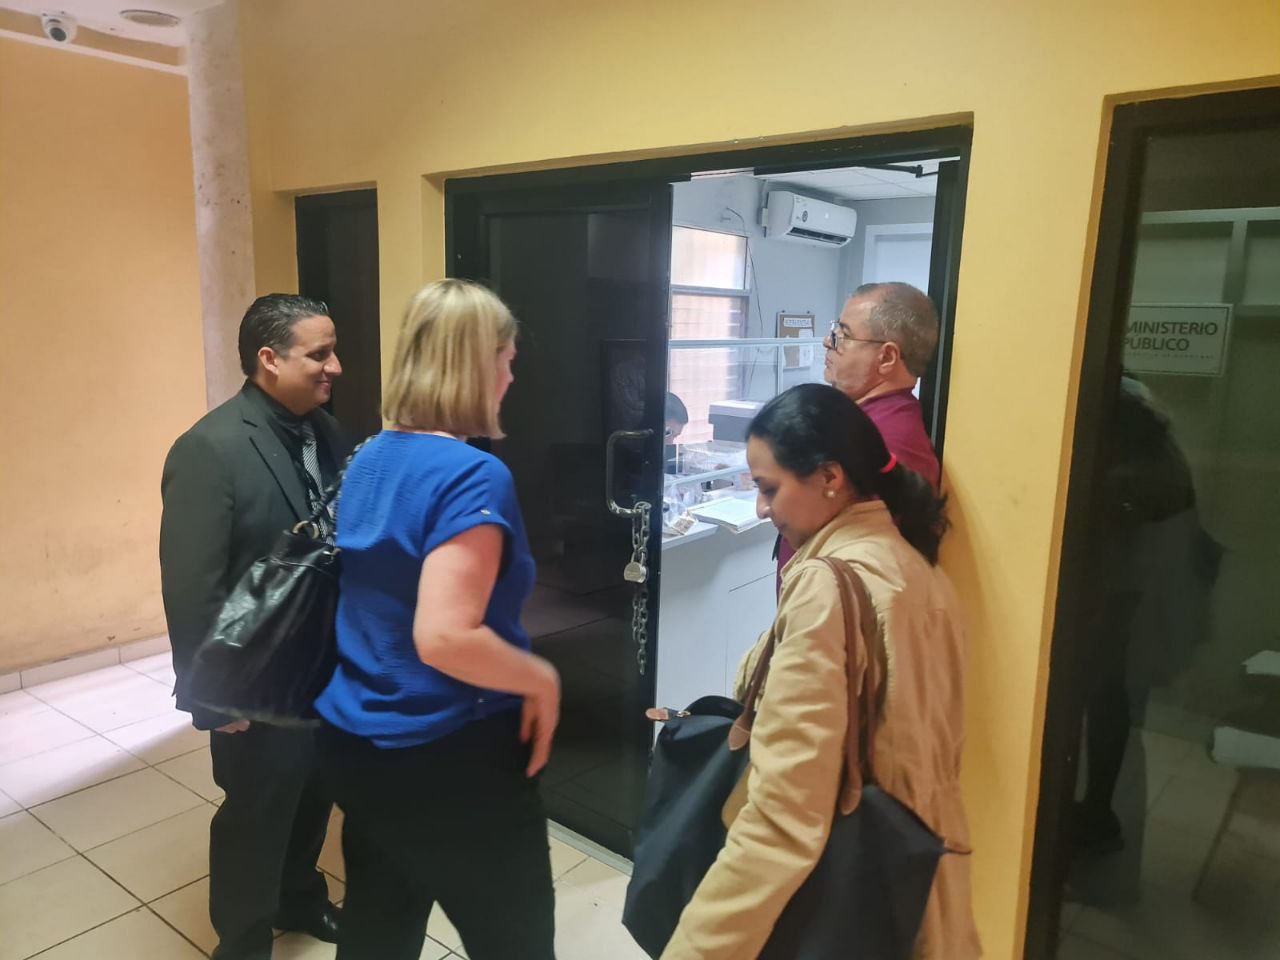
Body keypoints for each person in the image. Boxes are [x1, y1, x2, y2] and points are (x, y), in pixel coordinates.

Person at [663, 382, 980, 960]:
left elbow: (784, 816)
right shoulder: (916, 568)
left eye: (769, 489)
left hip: (845, 898)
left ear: (830, 477)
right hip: (919, 880)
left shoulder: (828, 587)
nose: (761, 509)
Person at [314, 279, 560, 960]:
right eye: (506, 358)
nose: (511, 376)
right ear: (474, 363)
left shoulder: (368, 456)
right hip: (451, 753)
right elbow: (445, 636)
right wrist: (540, 679)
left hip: (357, 742)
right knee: (515, 944)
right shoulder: (472, 475)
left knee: (378, 927)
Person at [159, 294, 346, 959]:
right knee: (257, 813)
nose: (335, 367)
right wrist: (214, 696)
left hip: (325, 665)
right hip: (256, 678)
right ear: (269, 359)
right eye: (319, 354)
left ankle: (300, 897)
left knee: (314, 794)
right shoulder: (210, 448)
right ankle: (241, 942)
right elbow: (191, 587)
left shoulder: (325, 430)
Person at [776, 281, 942, 589]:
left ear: (887, 357)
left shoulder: (891, 441)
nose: (827, 342)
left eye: (842, 335)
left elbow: (865, 578)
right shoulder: (861, 420)